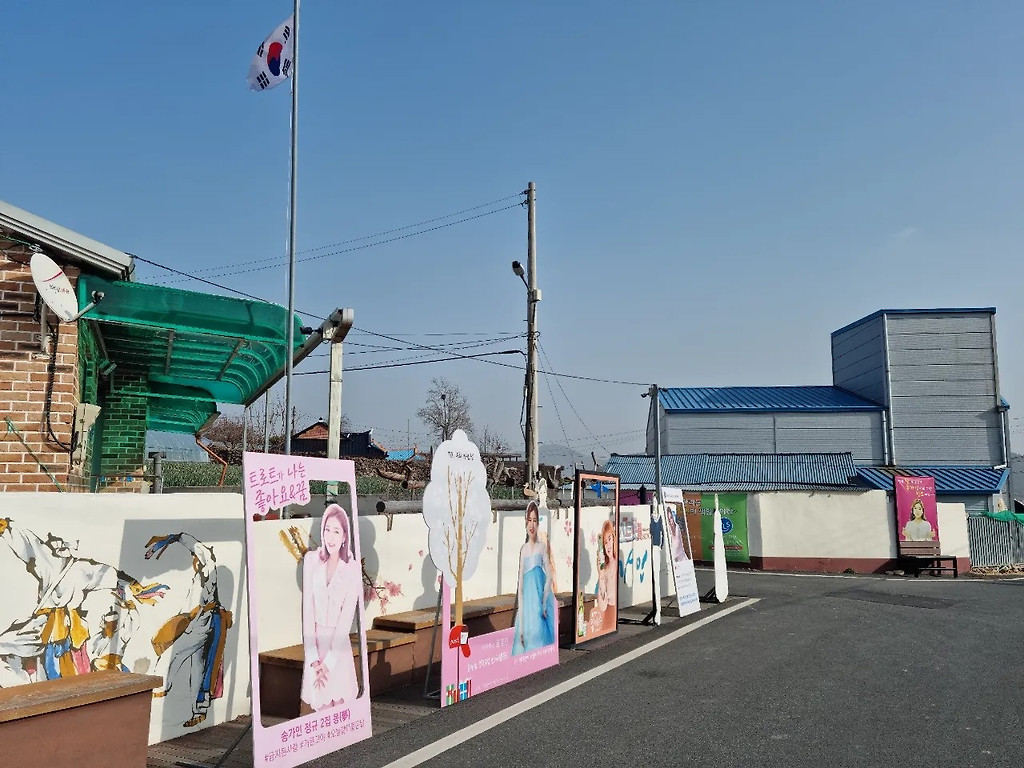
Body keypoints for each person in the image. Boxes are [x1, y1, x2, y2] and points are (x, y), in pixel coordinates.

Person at [0, 517, 163, 685]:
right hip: (55, 625)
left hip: (61, 626)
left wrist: (135, 587)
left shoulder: (71, 565)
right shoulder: (68, 565)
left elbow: (29, 544)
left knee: (58, 663)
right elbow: (110, 574)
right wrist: (135, 586)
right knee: (27, 653)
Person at [146, 532, 232, 728]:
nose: (194, 560)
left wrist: (174, 538)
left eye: (196, 557)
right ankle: (199, 711)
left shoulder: (209, 569)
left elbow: (200, 550)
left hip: (205, 622)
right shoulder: (198, 577)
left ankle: (158, 690)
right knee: (198, 667)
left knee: (173, 656)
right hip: (201, 622)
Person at [300, 505, 361, 712]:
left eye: (336, 531)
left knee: (341, 707)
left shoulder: (352, 568)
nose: (330, 537)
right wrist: (313, 658)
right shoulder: (311, 561)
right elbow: (307, 610)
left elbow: (346, 618)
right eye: (327, 530)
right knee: (321, 708)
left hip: (338, 646)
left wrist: (329, 662)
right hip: (316, 643)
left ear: (344, 536)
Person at [512, 502, 557, 655]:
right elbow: (520, 585)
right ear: (526, 522)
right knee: (526, 645)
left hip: (539, 602)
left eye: (535, 520)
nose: (532, 525)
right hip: (527, 605)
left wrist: (544, 602)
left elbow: (549, 575)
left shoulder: (542, 547)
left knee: (540, 639)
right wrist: (521, 624)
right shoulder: (523, 550)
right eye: (529, 520)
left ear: (538, 523)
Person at [589, 519, 617, 634]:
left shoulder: (617, 563)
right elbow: (602, 606)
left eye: (610, 539)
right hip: (607, 617)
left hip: (614, 615)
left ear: (614, 539)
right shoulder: (605, 569)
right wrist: (600, 574)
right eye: (605, 542)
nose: (608, 545)